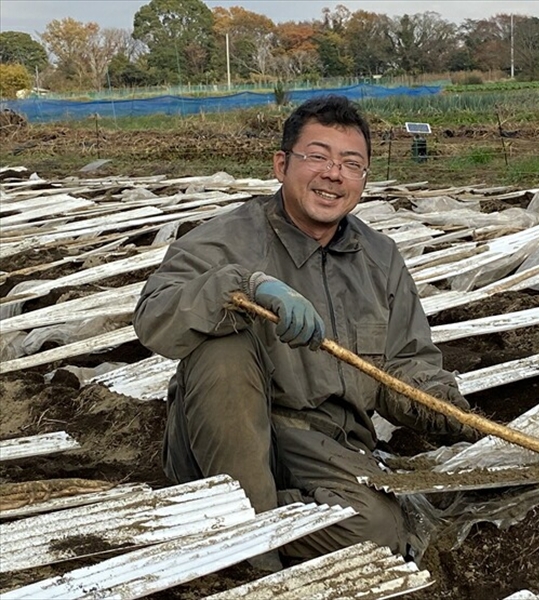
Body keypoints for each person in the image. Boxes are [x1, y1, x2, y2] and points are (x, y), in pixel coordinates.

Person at [133, 94, 478, 569]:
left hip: (325, 446)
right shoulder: (224, 239)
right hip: (222, 437)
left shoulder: (381, 260)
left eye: (350, 163)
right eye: (317, 156)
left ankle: (246, 520)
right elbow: (153, 318)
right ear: (281, 165)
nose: (333, 174)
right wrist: (245, 288)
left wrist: (440, 405)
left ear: (363, 179)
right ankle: (254, 556)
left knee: (379, 532)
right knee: (224, 347)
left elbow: (405, 363)